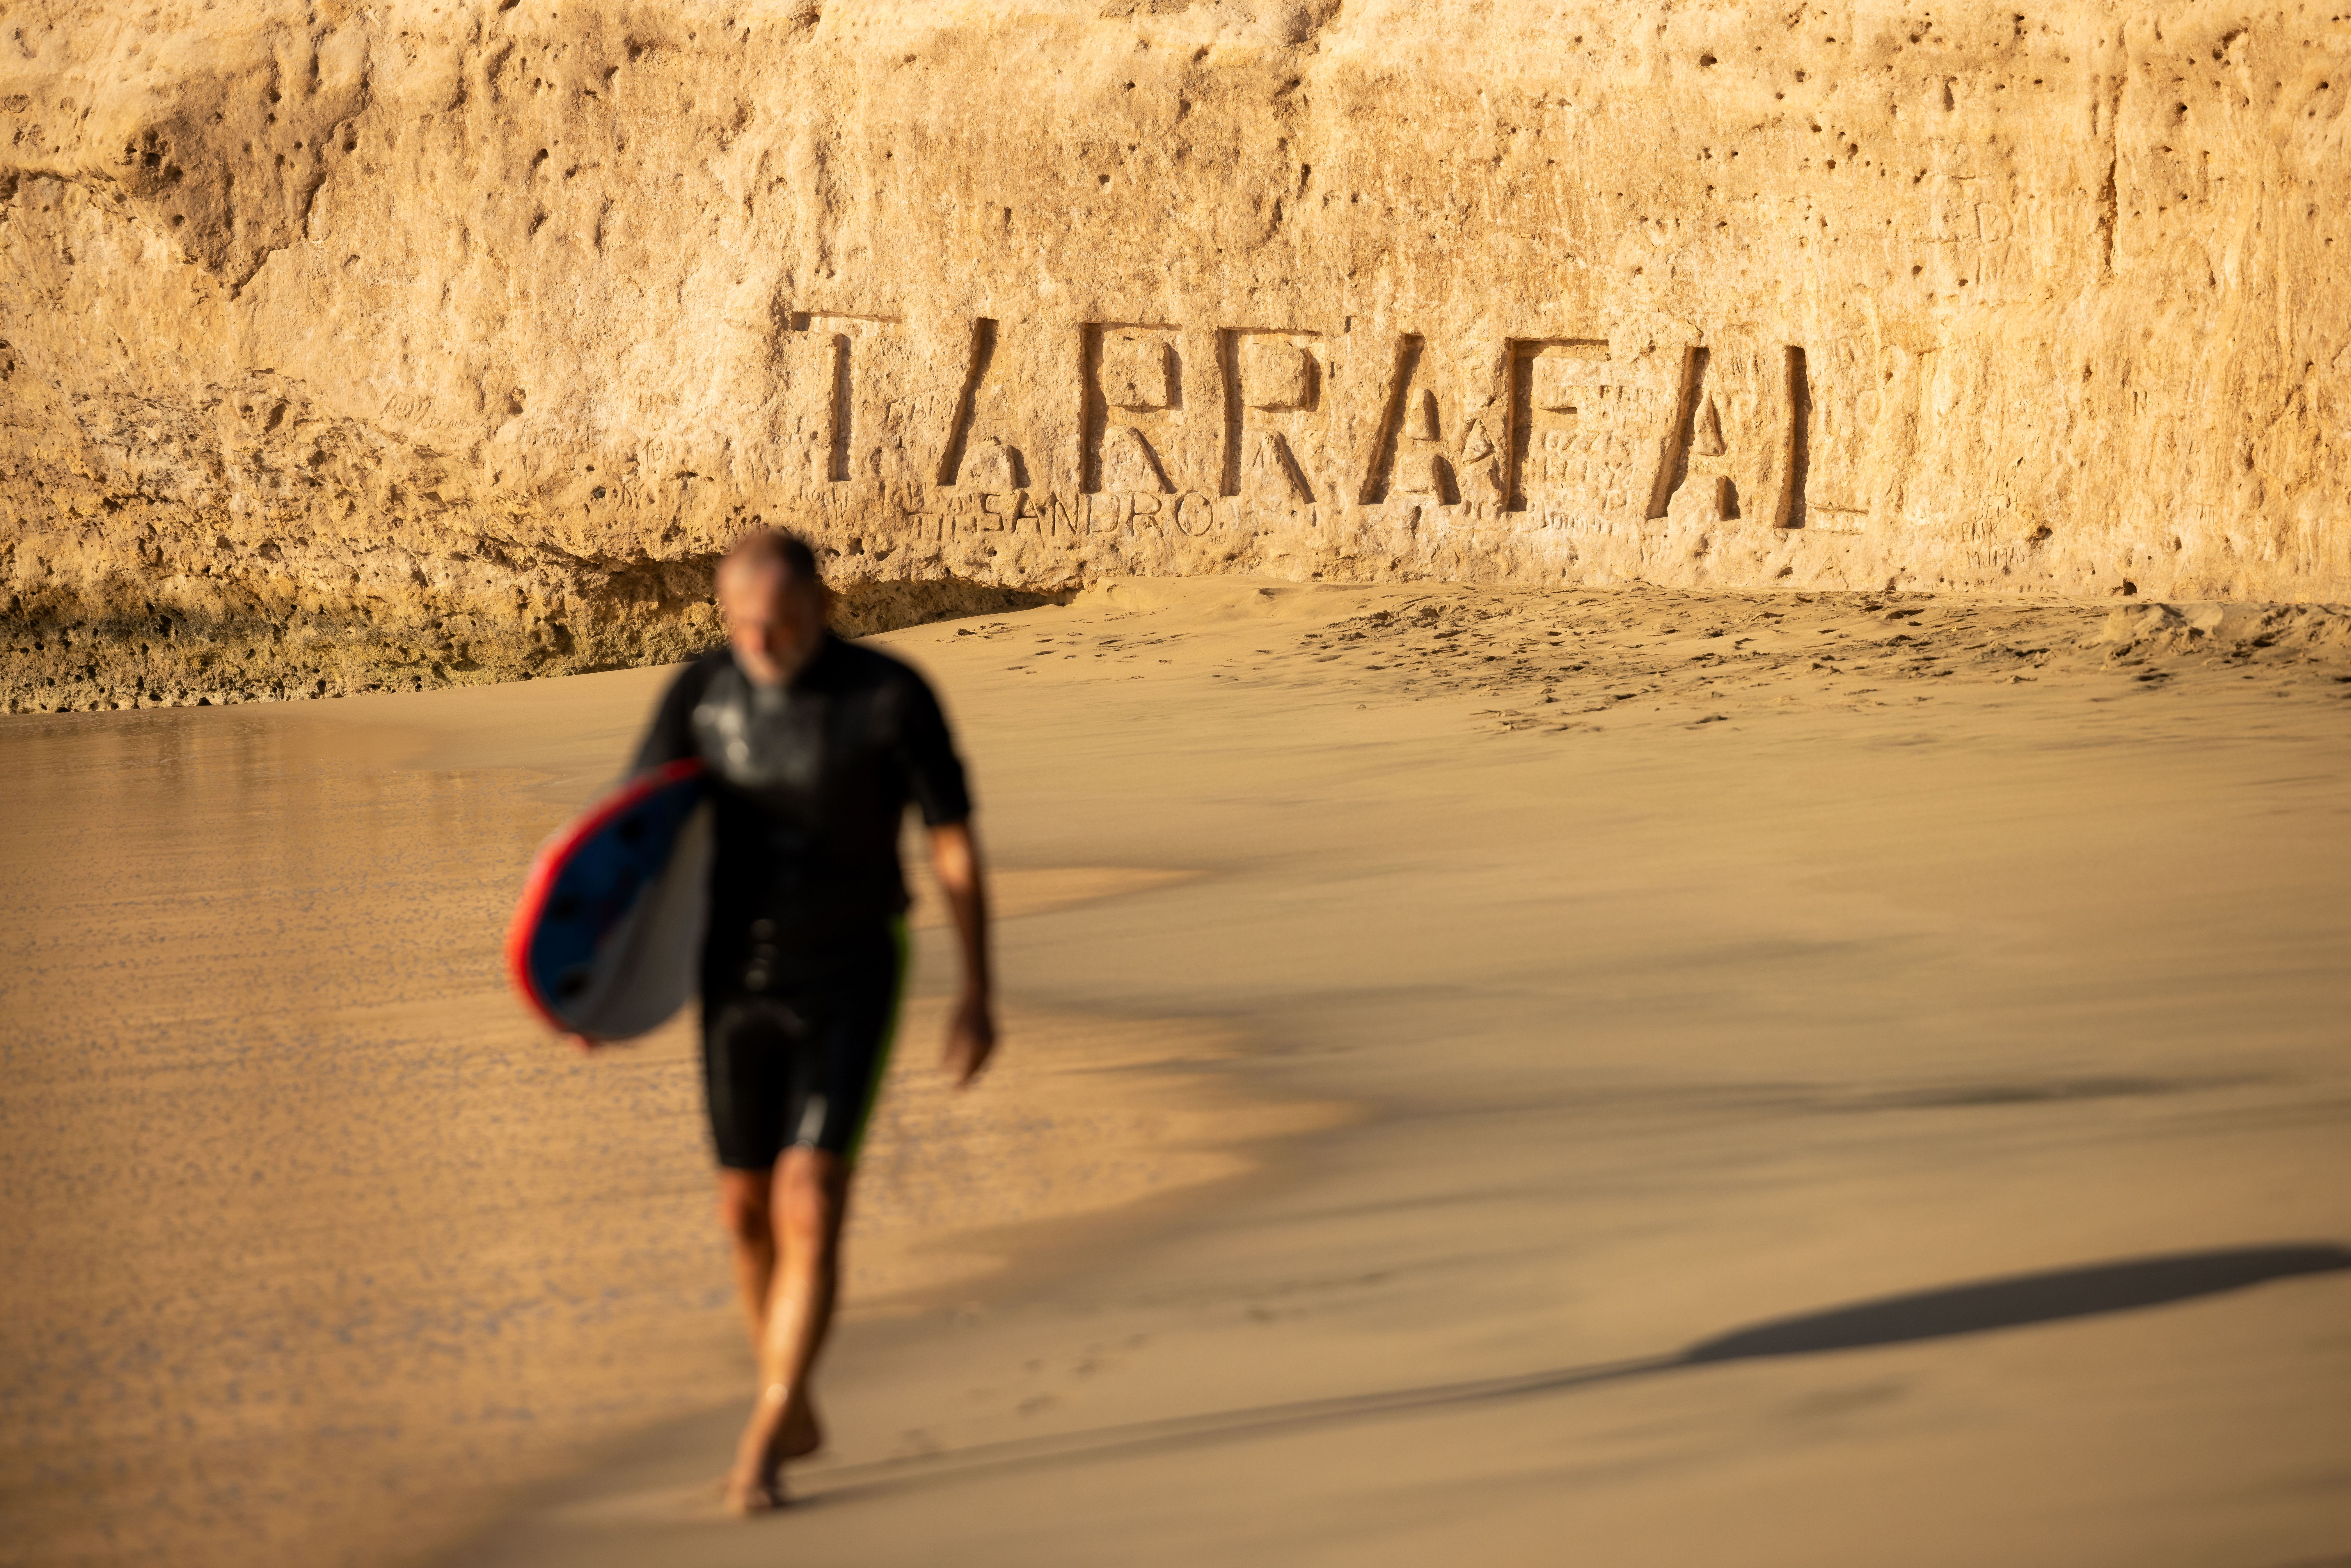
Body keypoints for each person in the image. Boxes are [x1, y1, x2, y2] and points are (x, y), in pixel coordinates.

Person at [620, 526, 996, 1513]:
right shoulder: (702, 695)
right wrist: (593, 995)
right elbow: (635, 844)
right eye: (741, 625)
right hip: (734, 977)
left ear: (823, 608)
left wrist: (977, 993)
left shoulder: (889, 698)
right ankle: (787, 1395)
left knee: (811, 1197)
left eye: (779, 625)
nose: (759, 643)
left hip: (854, 967)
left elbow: (953, 846)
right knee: (743, 1212)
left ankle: (767, 1431)